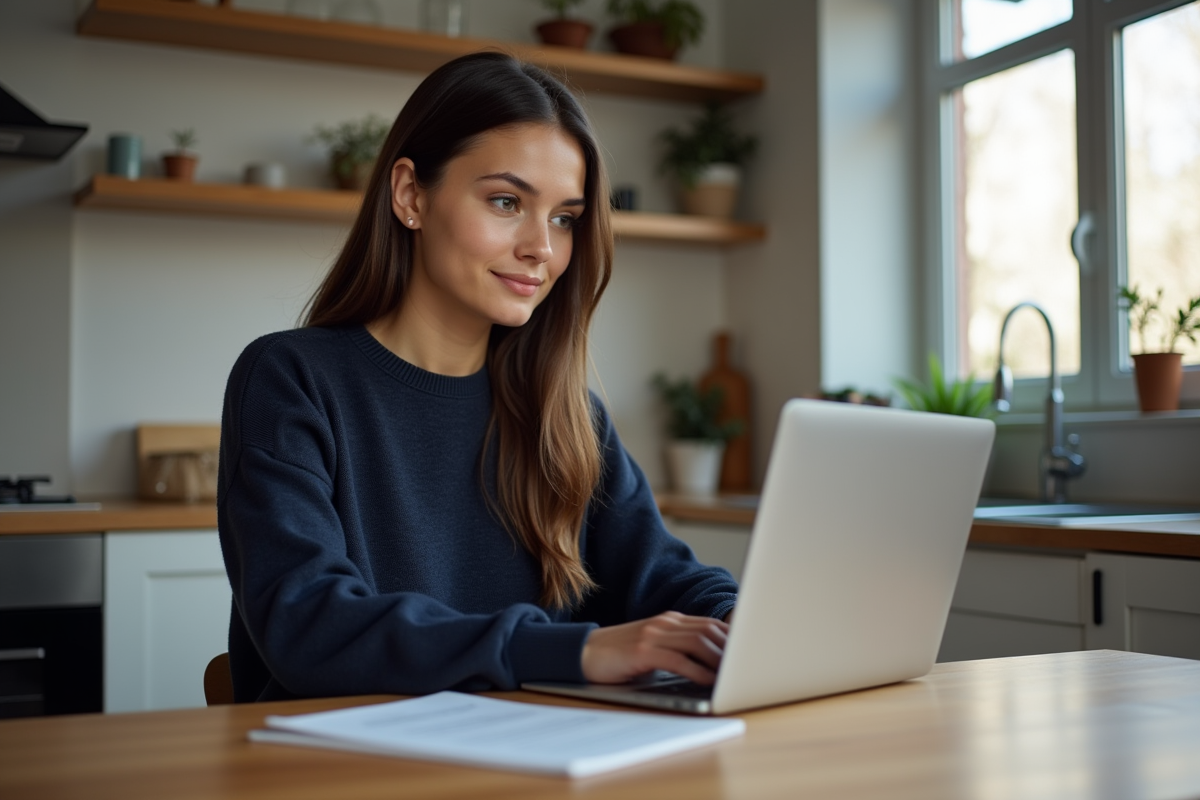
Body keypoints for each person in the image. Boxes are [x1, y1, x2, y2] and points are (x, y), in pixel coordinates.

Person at [218, 51, 737, 703]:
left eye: (564, 218)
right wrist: (573, 649)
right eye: (505, 201)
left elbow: (666, 576)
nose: (541, 249)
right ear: (410, 195)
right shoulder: (292, 380)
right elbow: (309, 624)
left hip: (539, 758)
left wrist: (737, 621)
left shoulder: (565, 413)